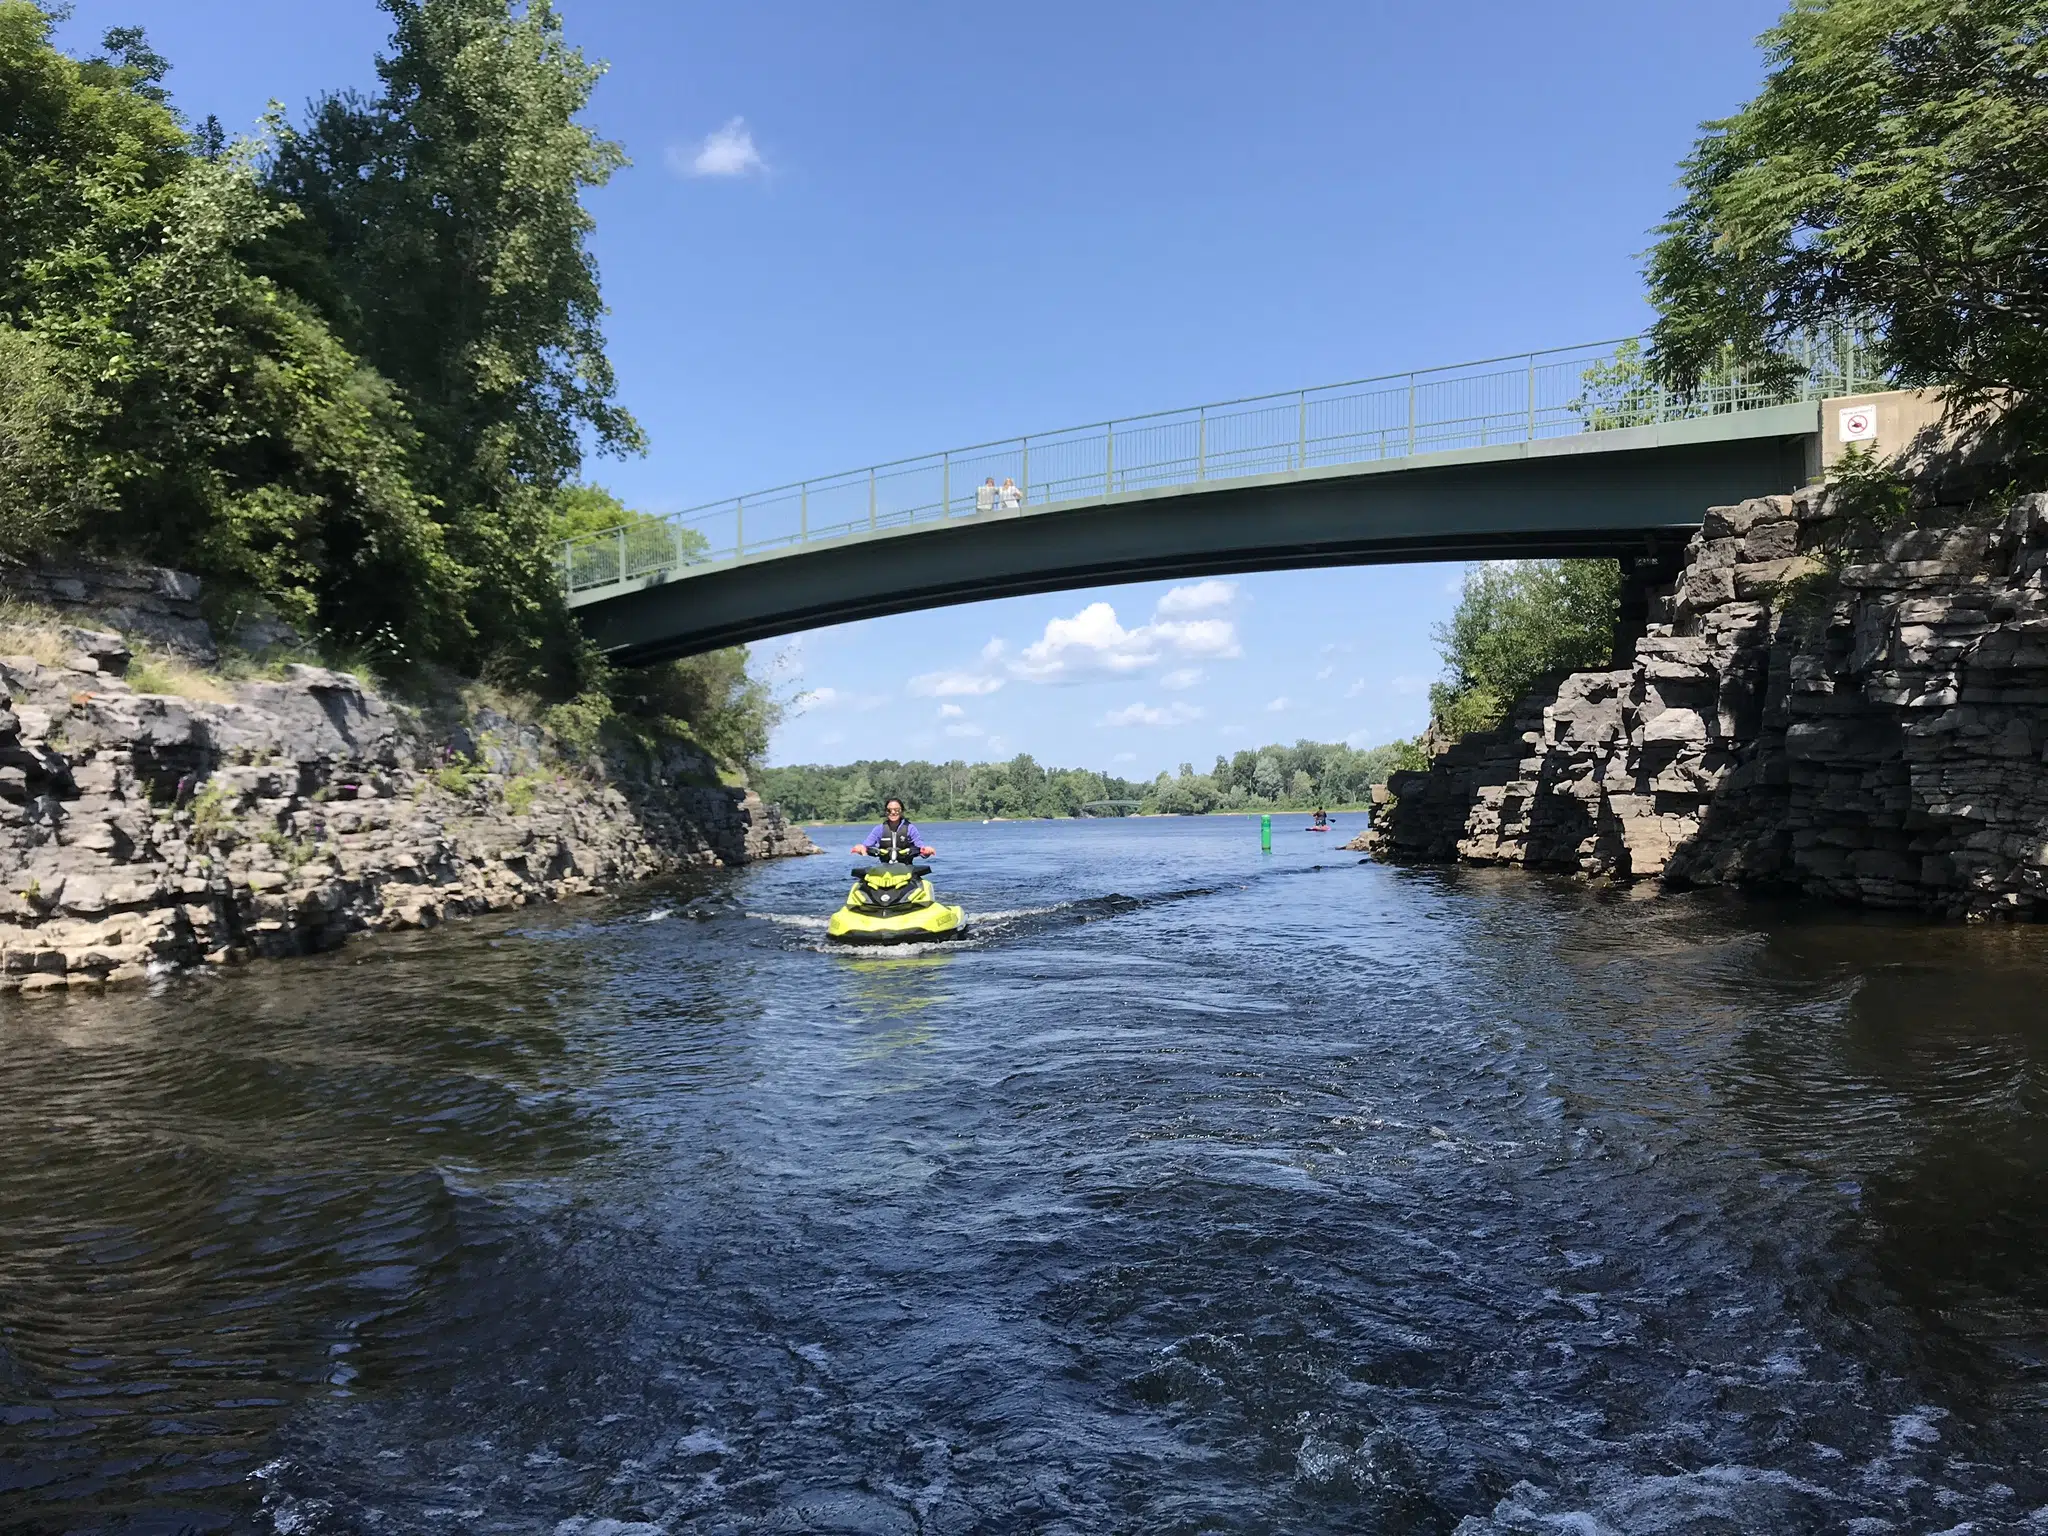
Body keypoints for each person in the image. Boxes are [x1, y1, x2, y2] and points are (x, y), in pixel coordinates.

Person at [852, 798, 936, 861]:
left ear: (902, 811)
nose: (893, 812)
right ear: (886, 812)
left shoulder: (910, 828)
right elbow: (866, 845)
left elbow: (921, 847)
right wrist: (861, 848)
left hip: (906, 868)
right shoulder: (879, 829)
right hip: (884, 869)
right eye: (889, 810)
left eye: (897, 810)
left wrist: (926, 851)